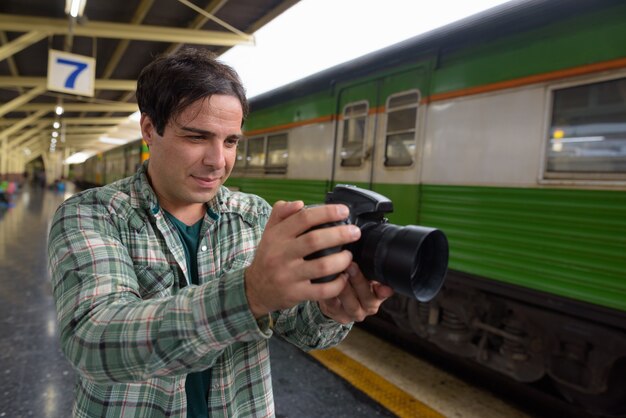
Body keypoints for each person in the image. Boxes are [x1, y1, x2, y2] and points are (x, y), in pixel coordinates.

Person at [48, 48, 393, 418]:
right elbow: (94, 341)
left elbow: (300, 330)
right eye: (197, 138)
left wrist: (328, 310)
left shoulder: (255, 216)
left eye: (231, 142)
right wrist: (248, 294)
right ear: (150, 129)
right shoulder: (91, 214)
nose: (218, 161)